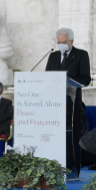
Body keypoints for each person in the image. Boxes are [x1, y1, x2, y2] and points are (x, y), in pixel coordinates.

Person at [45, 28, 91, 178]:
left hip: (72, 103)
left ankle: (72, 170)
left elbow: (86, 79)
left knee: (71, 136)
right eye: (58, 42)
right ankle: (53, 168)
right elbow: (47, 77)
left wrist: (69, 81)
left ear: (71, 41)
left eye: (63, 42)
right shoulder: (53, 56)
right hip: (54, 104)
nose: (60, 45)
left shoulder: (81, 55)